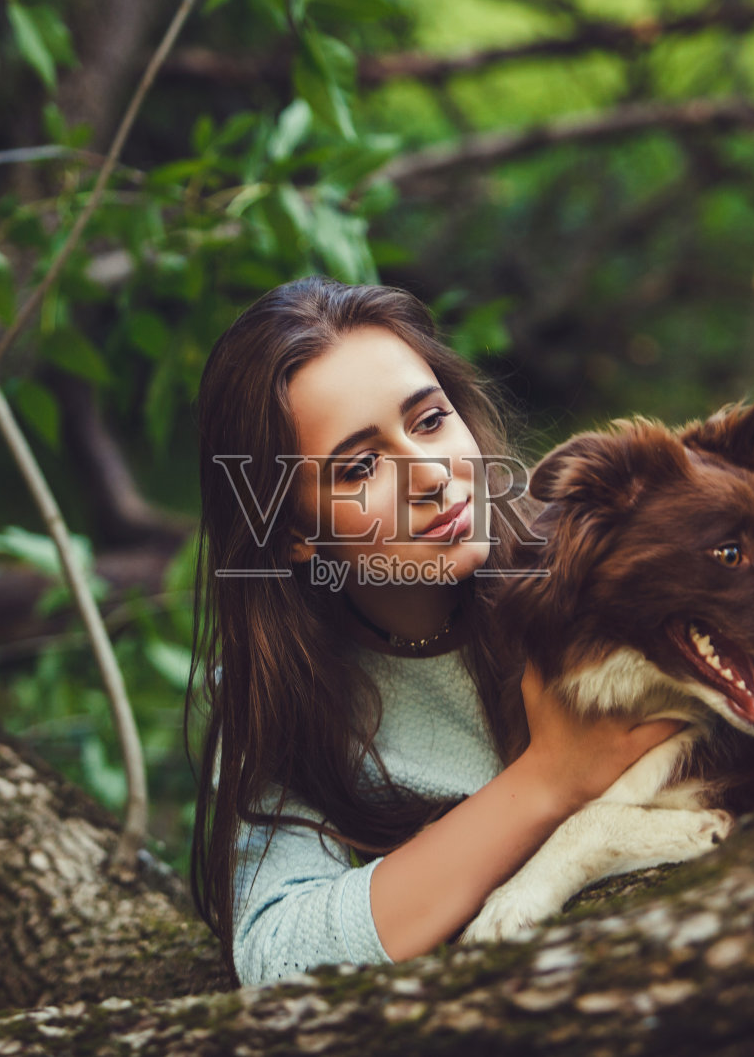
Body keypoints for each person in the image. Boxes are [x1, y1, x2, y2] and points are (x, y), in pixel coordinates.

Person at [187, 277, 681, 987]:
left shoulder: (598, 571)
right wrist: (549, 779)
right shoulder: (280, 693)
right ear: (293, 530)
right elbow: (277, 956)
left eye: (427, 421)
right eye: (360, 466)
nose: (430, 474)